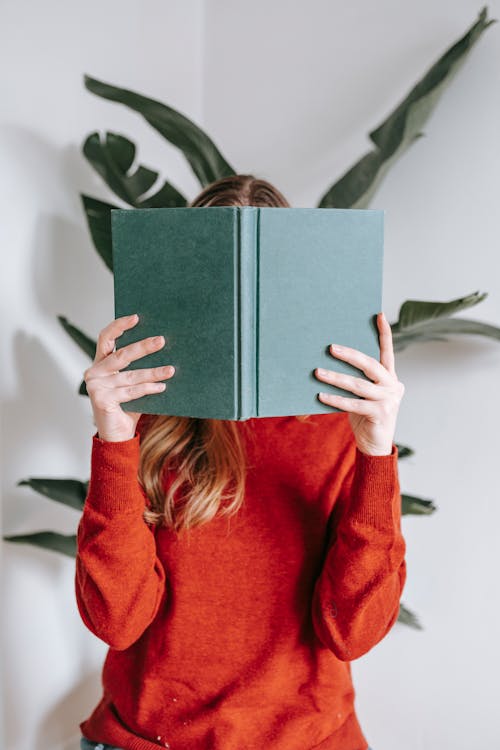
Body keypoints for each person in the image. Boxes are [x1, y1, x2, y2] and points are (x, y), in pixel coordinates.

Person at [75, 174, 406, 750]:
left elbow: (353, 632)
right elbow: (116, 620)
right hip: (150, 739)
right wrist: (114, 441)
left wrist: (376, 452)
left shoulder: (338, 423)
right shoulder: (145, 422)